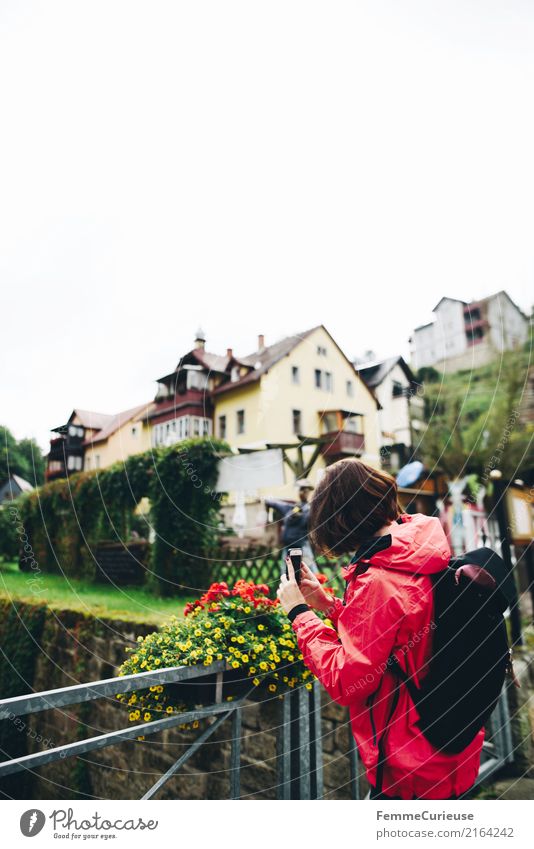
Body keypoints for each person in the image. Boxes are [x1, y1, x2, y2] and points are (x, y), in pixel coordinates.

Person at [276, 458, 484, 800]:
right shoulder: (419, 551)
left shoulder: (380, 579)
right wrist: (327, 605)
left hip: (410, 766)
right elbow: (392, 634)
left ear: (340, 517)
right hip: (453, 746)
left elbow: (347, 680)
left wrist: (298, 612)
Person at [265, 479, 317, 572]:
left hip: (302, 546)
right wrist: (267, 506)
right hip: (288, 546)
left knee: (309, 571)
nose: (303, 493)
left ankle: (317, 586)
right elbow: (270, 501)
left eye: (306, 491)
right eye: (301, 490)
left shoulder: (310, 510)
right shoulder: (289, 508)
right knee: (286, 573)